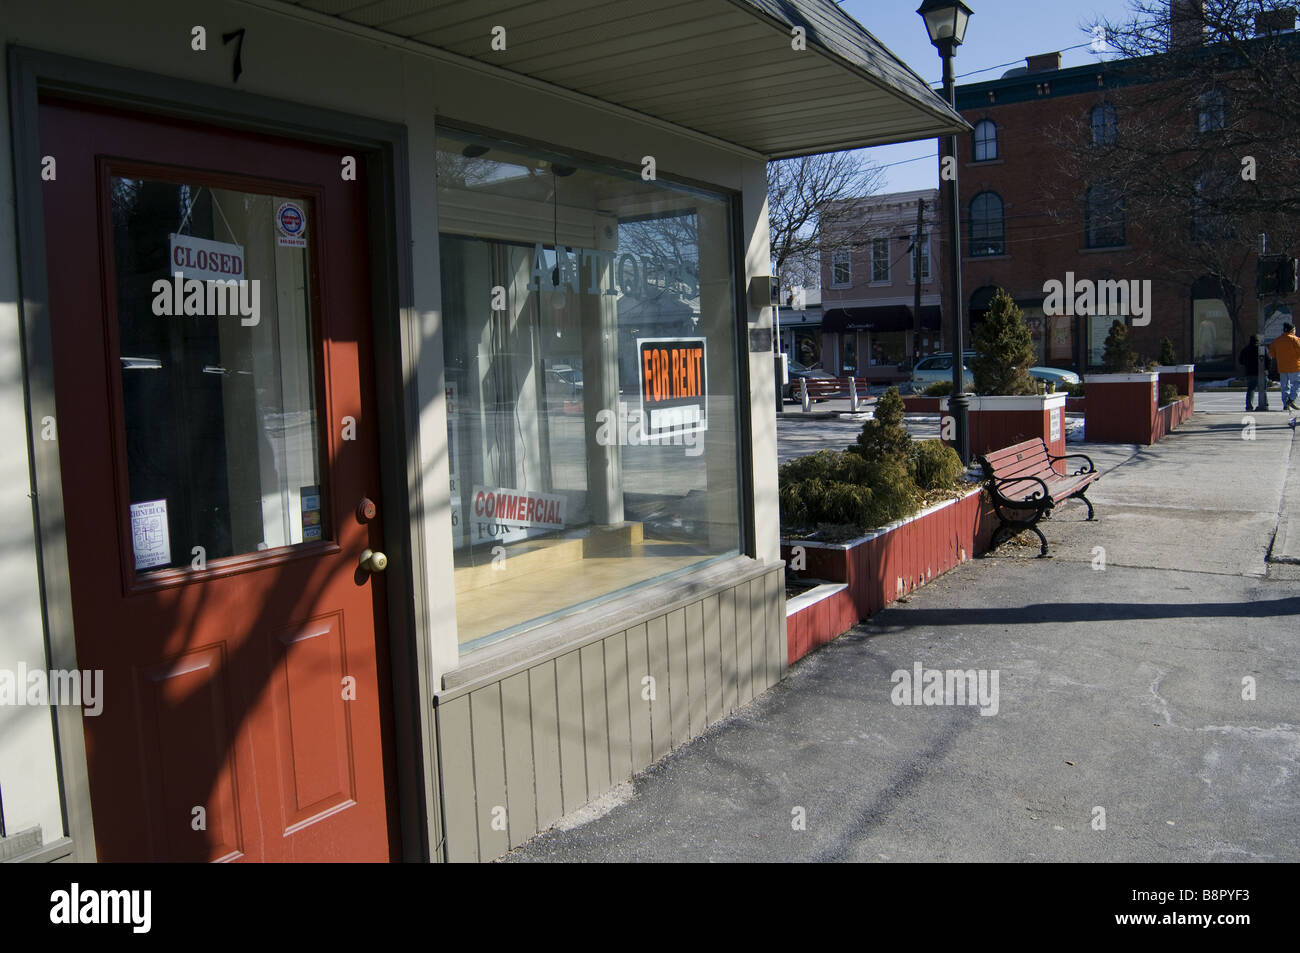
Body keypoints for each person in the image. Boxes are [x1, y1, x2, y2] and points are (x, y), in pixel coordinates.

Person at [1267, 322, 1300, 411]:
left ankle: (1286, 404)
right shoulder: (1295, 339)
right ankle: (1291, 399)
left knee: (1285, 386)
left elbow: (1272, 354)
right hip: (1295, 366)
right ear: (1292, 330)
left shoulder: (1277, 341)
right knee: (1297, 383)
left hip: (1282, 367)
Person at [1240, 335, 1261, 411]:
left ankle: (1249, 406)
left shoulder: (1245, 349)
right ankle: (1263, 404)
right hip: (1260, 372)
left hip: (1249, 372)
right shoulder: (1260, 349)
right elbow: (1268, 359)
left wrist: (1246, 364)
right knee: (1262, 389)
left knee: (1251, 389)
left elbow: (1241, 360)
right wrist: (1266, 368)